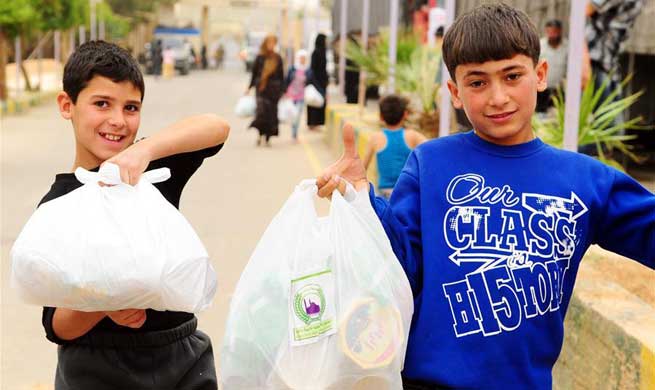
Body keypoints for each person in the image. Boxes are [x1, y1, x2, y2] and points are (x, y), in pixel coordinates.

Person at [315, 4, 654, 389]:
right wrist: (362, 199)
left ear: (540, 75)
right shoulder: (430, 163)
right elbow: (398, 267)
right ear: (455, 93)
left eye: (512, 76)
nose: (498, 97)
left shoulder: (587, 180)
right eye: (477, 82)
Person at [43, 41, 230, 390]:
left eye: (131, 108)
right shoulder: (58, 206)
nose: (118, 121)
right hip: (95, 369)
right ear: (67, 105)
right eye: (102, 104)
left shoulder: (152, 172)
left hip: (182, 359)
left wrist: (144, 150)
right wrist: (103, 303)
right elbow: (56, 325)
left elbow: (215, 127)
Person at [363, 94, 426, 199]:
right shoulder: (412, 135)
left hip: (383, 194)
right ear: (405, 114)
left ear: (381, 117)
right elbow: (432, 148)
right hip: (406, 193)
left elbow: (362, 168)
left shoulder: (375, 138)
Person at [247, 35, 284, 147]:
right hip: (261, 89)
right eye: (269, 43)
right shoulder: (260, 57)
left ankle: (267, 138)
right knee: (261, 113)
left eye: (273, 43)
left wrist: (283, 90)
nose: (271, 45)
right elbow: (254, 74)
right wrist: (249, 87)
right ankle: (260, 135)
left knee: (271, 115)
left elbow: (281, 76)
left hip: (274, 92)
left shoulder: (277, 58)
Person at [537, 19, 568, 113]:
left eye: (554, 32)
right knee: (540, 114)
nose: (552, 35)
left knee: (559, 114)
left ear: (560, 31)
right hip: (542, 89)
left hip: (560, 89)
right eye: (549, 32)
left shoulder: (568, 47)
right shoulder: (540, 46)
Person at [284, 49, 309, 142]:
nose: (302, 60)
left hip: (301, 97)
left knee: (298, 116)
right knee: (292, 115)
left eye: (304, 58)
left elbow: (311, 82)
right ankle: (293, 132)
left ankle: (294, 134)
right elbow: (286, 81)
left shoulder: (307, 70)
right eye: (301, 58)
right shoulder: (292, 69)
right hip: (291, 96)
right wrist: (284, 92)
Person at [307, 33, 328, 130]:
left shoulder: (324, 52)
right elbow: (313, 69)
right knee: (313, 101)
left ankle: (318, 123)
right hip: (316, 81)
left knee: (320, 102)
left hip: (322, 81)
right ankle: (312, 123)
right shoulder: (315, 53)